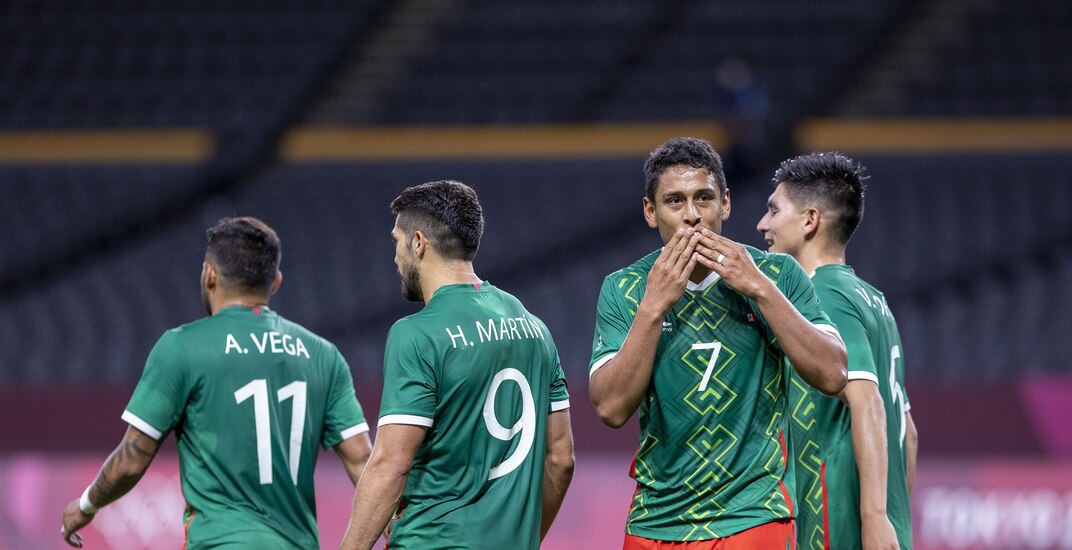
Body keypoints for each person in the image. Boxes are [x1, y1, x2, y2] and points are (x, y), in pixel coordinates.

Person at [588, 137, 848, 548]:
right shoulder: (626, 289)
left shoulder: (777, 275)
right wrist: (653, 308)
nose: (692, 216)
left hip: (752, 514)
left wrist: (760, 290)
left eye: (703, 198)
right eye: (675, 201)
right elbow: (610, 408)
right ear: (650, 212)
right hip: (657, 520)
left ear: (724, 204)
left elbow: (834, 374)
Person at [60, 216, 373, 549]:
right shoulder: (324, 355)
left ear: (209, 274)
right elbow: (362, 461)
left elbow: (132, 459)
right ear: (276, 282)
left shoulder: (182, 346)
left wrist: (85, 506)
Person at [341, 180, 574, 550]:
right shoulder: (535, 327)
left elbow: (390, 465)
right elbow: (561, 459)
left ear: (418, 242)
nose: (395, 255)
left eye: (397, 241)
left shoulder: (417, 334)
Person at [756, 152, 917, 550]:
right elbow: (908, 435)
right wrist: (893, 518)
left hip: (838, 527)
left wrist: (873, 519)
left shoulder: (823, 294)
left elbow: (868, 402)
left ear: (810, 220)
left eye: (774, 211)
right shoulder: (873, 299)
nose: (763, 225)